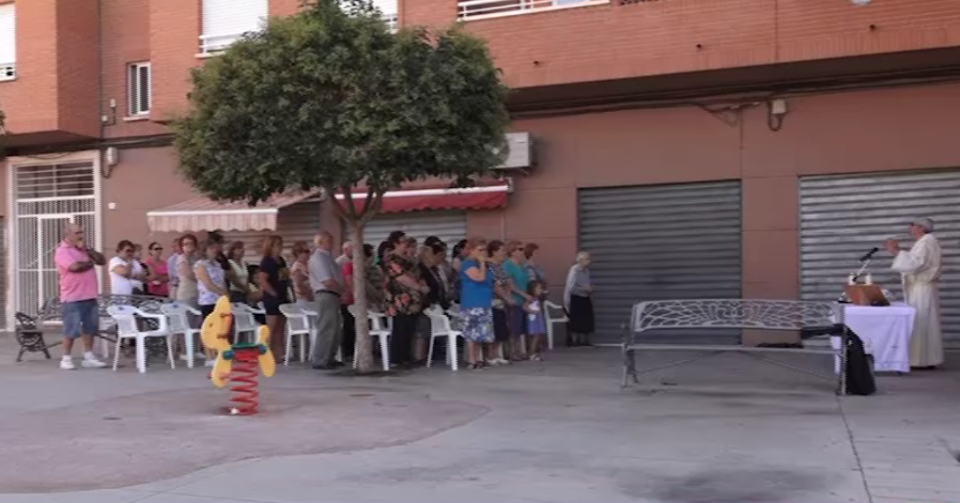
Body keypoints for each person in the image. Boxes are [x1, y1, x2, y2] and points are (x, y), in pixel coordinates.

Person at [885, 217, 943, 369]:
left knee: (921, 321)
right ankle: (925, 359)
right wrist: (898, 253)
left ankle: (921, 360)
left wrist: (896, 252)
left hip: (922, 288)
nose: (909, 227)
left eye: (913, 225)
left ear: (922, 228)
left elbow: (917, 264)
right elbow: (915, 261)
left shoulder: (927, 241)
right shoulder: (925, 241)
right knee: (922, 322)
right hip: (920, 287)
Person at [53, 224, 108, 370]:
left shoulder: (84, 249)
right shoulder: (62, 251)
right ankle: (66, 358)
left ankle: (88, 356)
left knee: (90, 328)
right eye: (77, 233)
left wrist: (89, 250)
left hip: (89, 294)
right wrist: (90, 263)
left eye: (81, 232)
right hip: (72, 296)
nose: (81, 235)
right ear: (68, 234)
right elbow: (75, 267)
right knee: (71, 329)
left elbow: (102, 261)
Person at [383, 236, 428, 368]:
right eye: (405, 244)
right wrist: (419, 287)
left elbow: (418, 274)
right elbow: (401, 277)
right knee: (400, 327)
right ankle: (396, 359)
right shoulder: (391, 259)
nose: (408, 248)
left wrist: (422, 285)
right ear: (396, 244)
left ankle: (406, 357)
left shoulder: (410, 260)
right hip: (398, 298)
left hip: (412, 299)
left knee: (410, 328)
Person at [308, 231, 345, 369]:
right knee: (326, 326)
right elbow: (327, 280)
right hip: (326, 294)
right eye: (329, 240)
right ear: (321, 242)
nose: (332, 243)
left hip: (333, 294)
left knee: (335, 328)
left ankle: (330, 357)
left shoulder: (328, 257)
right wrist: (341, 291)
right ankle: (320, 359)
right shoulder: (318, 258)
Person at [458, 238, 495, 370]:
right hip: (472, 302)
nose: (483, 253)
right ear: (472, 250)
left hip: (484, 302)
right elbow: (479, 278)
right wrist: (482, 262)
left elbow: (494, 279)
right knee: (471, 332)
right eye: (480, 250)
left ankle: (478, 358)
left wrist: (486, 263)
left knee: (480, 333)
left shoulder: (482, 264)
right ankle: (471, 360)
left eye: (485, 250)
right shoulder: (467, 264)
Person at [195, 239, 228, 365]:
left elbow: (222, 280)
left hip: (220, 300)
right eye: (212, 248)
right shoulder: (200, 265)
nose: (215, 250)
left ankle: (219, 352)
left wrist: (226, 294)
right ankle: (209, 355)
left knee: (220, 328)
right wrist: (221, 292)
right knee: (209, 328)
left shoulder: (217, 264)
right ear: (205, 250)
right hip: (208, 299)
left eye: (215, 248)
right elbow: (208, 283)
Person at [258, 235, 290, 362]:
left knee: (281, 326)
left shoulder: (281, 260)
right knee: (271, 327)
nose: (280, 248)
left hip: (283, 295)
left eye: (280, 245)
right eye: (277, 245)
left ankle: (279, 353)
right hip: (272, 297)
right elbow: (263, 280)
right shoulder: (267, 261)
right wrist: (273, 293)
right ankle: (266, 353)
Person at [502, 241, 532, 360]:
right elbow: (510, 285)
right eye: (519, 249)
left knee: (521, 328)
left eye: (522, 249)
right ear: (512, 251)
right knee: (514, 327)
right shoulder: (507, 265)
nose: (522, 251)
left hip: (524, 300)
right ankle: (512, 351)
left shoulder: (522, 266)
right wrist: (524, 295)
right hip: (515, 299)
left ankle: (520, 350)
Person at [486, 240, 511, 366]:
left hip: (501, 301)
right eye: (502, 250)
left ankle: (497, 354)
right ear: (494, 251)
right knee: (493, 328)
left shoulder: (500, 266)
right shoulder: (489, 266)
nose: (504, 253)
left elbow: (507, 282)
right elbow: (495, 285)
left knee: (501, 329)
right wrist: (507, 297)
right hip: (492, 301)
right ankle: (490, 355)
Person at [564, 251, 595, 347]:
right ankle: (574, 341)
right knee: (576, 319)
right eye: (587, 259)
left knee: (587, 319)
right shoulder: (574, 270)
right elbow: (571, 287)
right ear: (581, 260)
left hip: (585, 297)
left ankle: (585, 340)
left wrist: (590, 288)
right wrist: (584, 289)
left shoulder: (587, 271)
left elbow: (588, 283)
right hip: (576, 297)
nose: (589, 261)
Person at [525, 280, 547, 361]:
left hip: (538, 318)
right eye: (538, 288)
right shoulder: (531, 298)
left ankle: (535, 352)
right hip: (533, 319)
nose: (540, 290)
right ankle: (531, 353)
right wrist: (532, 311)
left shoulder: (537, 298)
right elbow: (524, 307)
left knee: (538, 336)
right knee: (534, 336)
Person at [176, 234, 200, 308]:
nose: (189, 245)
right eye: (186, 244)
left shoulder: (196, 258)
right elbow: (189, 274)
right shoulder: (182, 258)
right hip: (187, 294)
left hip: (197, 293)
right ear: (182, 246)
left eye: (191, 243)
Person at [290, 241, 314, 307]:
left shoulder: (306, 265)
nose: (309, 253)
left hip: (309, 300)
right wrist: (309, 296)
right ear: (298, 253)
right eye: (306, 251)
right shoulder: (298, 268)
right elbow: (298, 285)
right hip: (304, 301)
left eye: (309, 251)